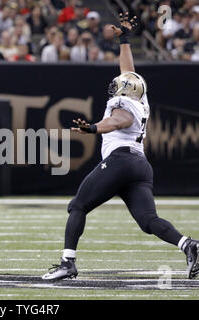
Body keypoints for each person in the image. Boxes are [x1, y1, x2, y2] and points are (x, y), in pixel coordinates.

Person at [42, 12, 199, 281]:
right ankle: (189, 245)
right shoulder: (141, 97)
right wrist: (124, 39)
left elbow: (118, 120)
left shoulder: (121, 104)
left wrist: (92, 128)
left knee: (78, 206)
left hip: (121, 161)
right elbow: (128, 70)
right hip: (140, 165)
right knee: (148, 221)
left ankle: (68, 262)